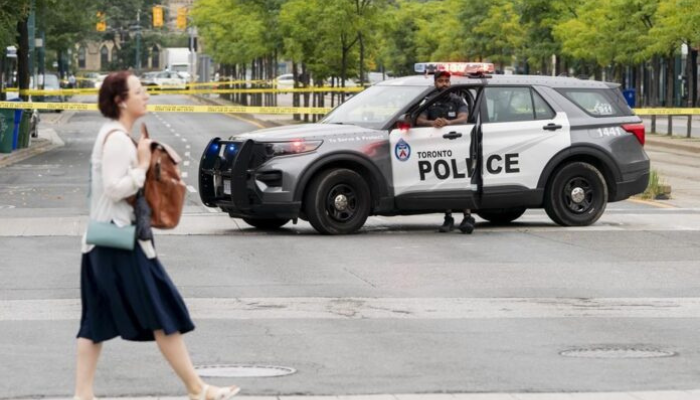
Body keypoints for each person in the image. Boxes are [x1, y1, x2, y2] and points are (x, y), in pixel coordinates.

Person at [75, 71, 240, 400]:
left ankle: (84, 394)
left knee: (99, 321)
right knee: (162, 311)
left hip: (104, 244)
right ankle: (197, 389)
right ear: (121, 100)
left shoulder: (115, 135)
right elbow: (113, 187)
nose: (146, 95)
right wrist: (141, 166)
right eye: (139, 91)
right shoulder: (117, 140)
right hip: (119, 243)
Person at [416, 70, 475, 234]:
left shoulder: (458, 100)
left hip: (458, 146)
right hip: (438, 149)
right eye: (441, 81)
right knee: (444, 180)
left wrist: (448, 122)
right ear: (435, 82)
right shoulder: (429, 101)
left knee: (461, 179)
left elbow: (463, 118)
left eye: (447, 81)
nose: (444, 84)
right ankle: (448, 217)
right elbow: (419, 119)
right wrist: (433, 123)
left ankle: (467, 216)